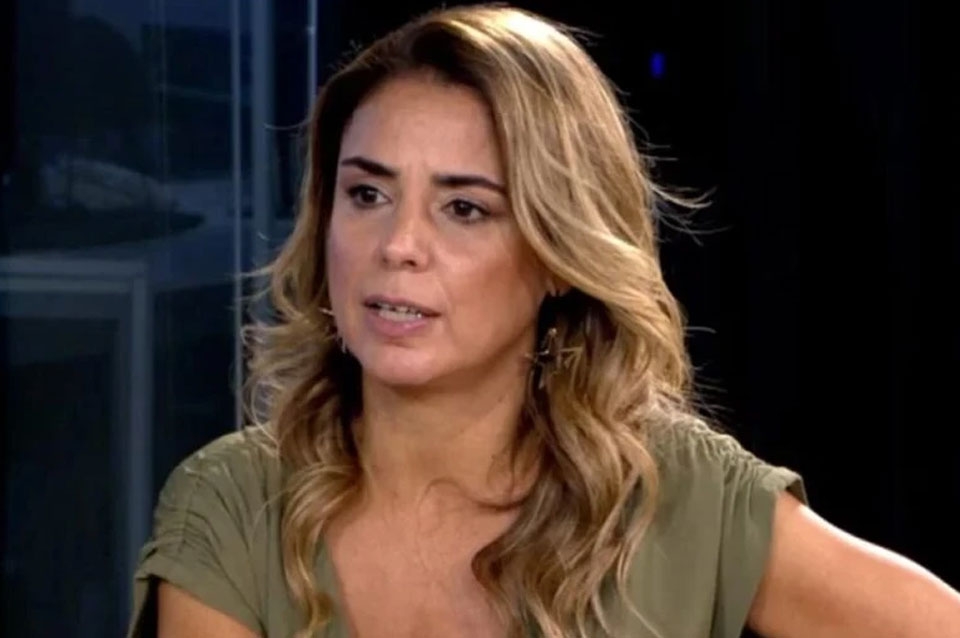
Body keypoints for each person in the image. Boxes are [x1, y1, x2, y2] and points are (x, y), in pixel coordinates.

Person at [126, 4, 960, 638]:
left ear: (559, 253)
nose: (398, 245)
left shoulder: (681, 500)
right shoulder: (233, 505)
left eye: (465, 208)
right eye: (367, 194)